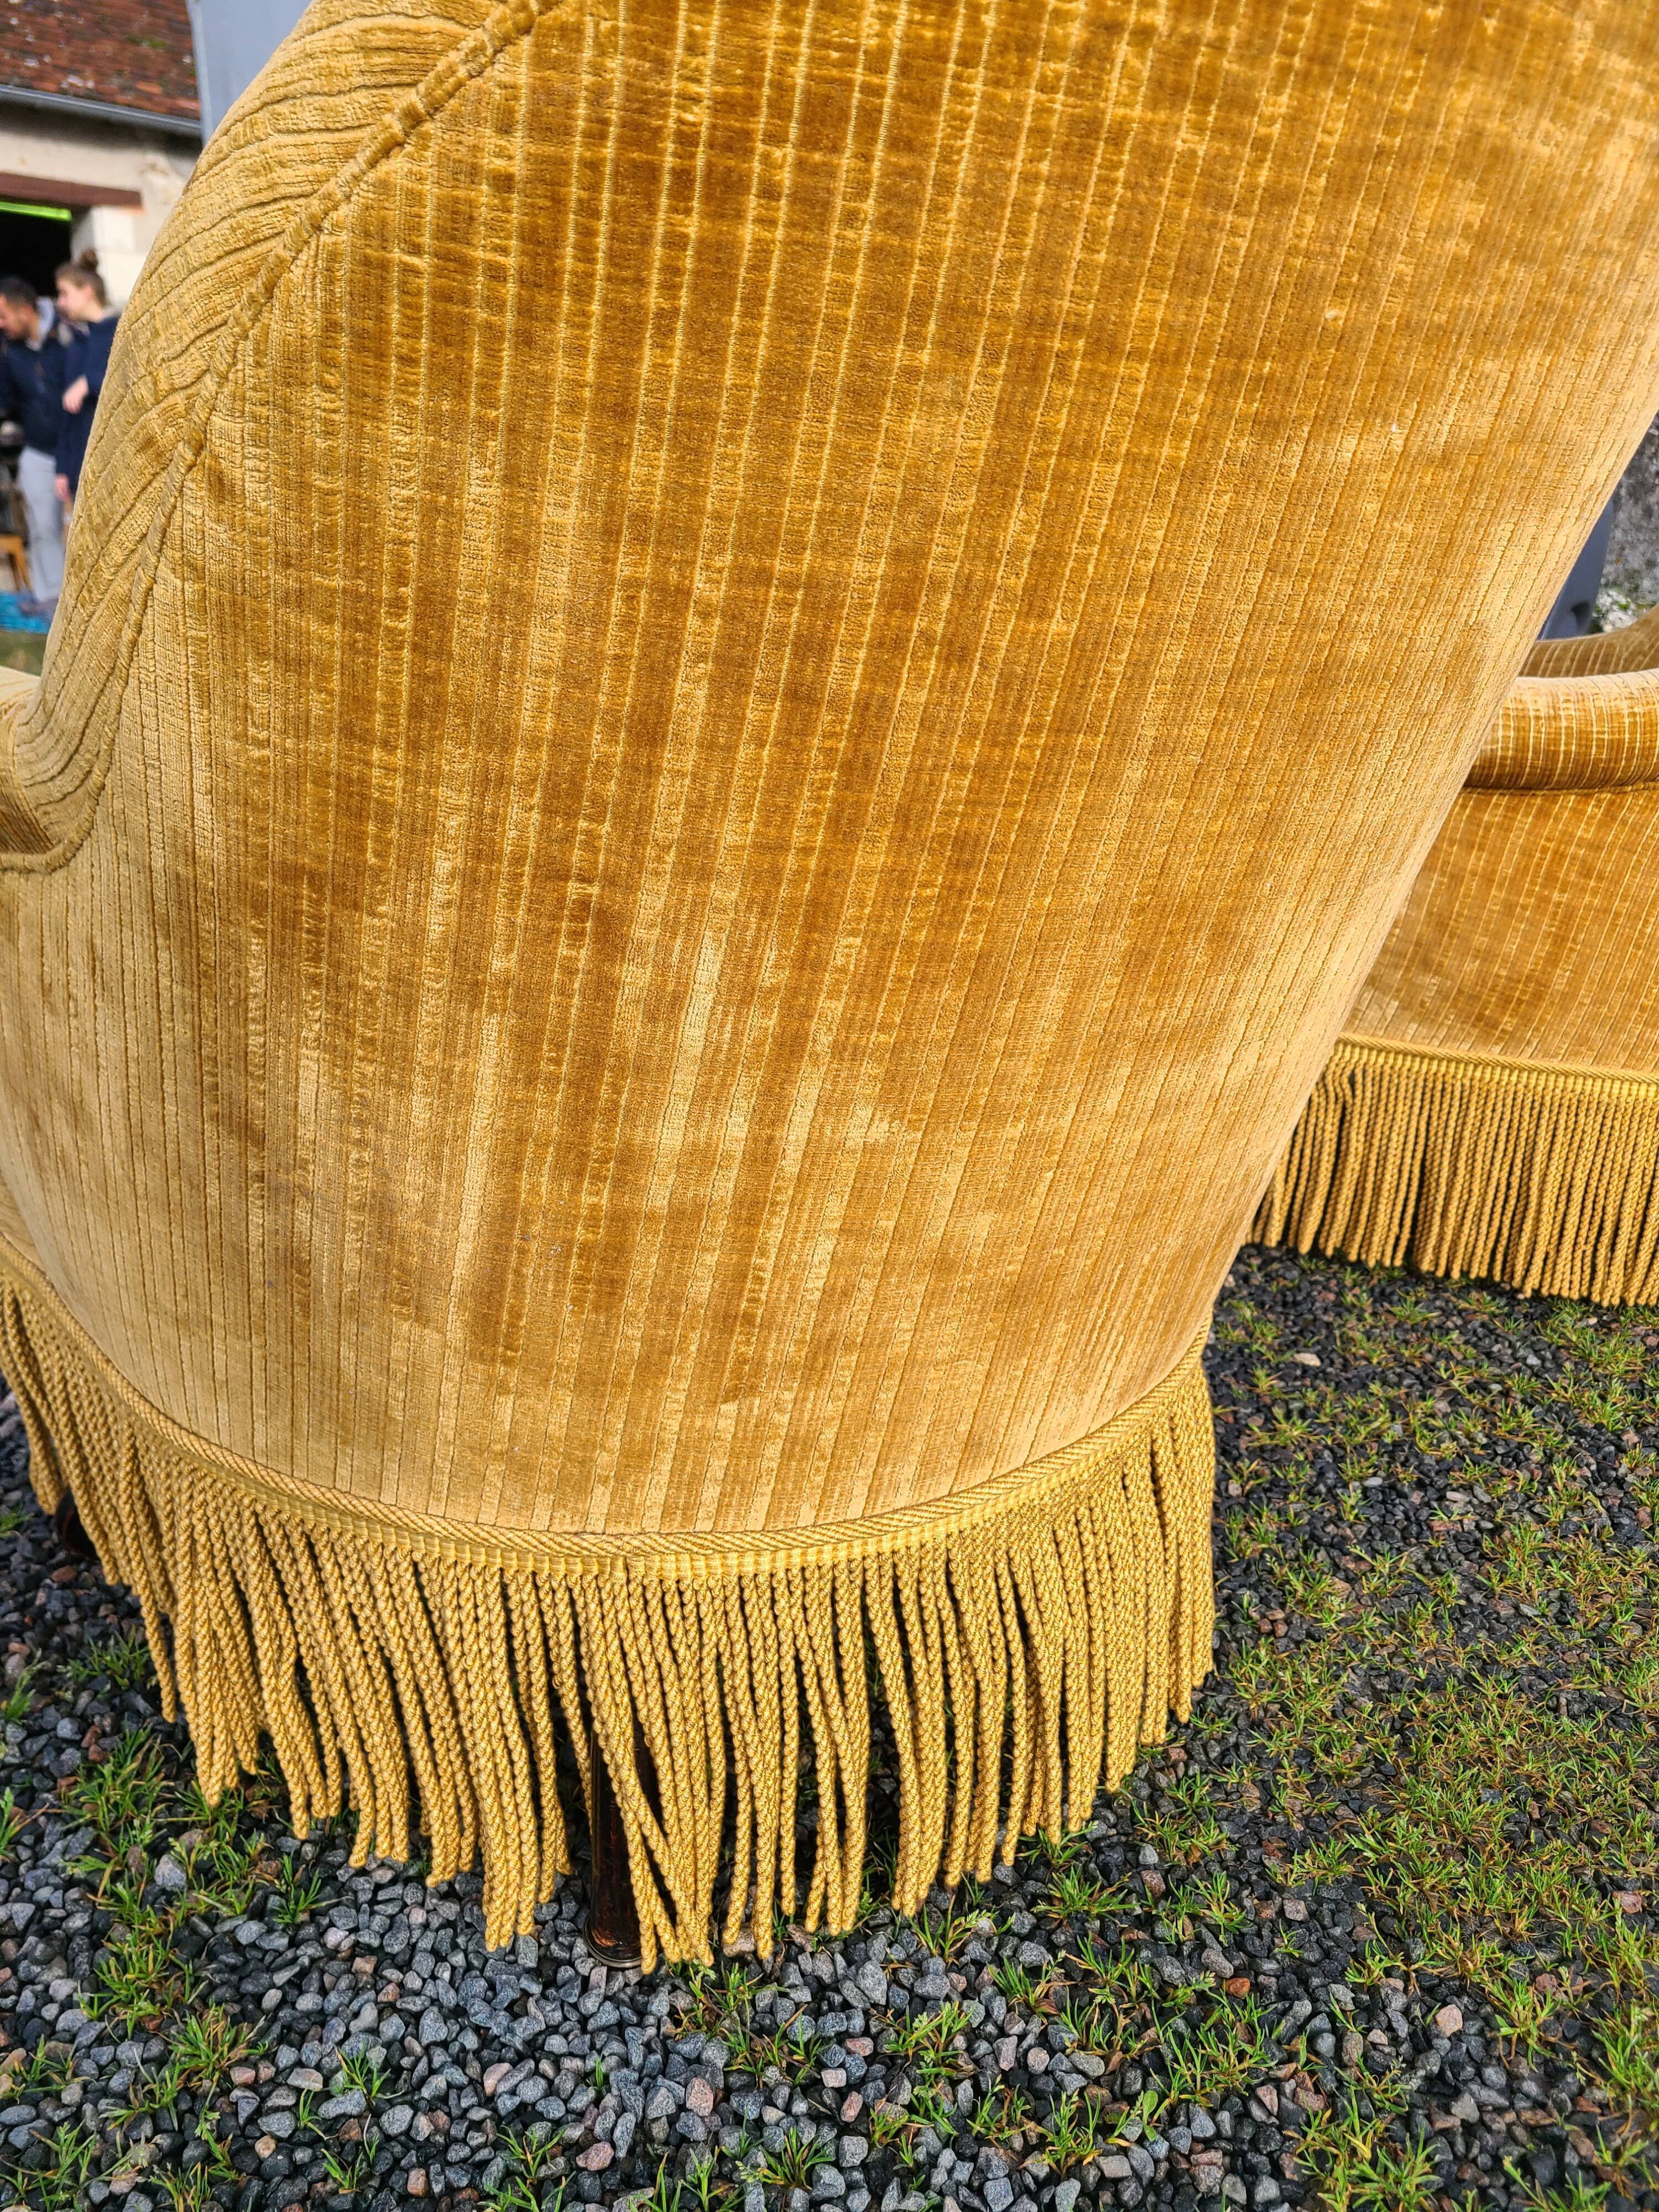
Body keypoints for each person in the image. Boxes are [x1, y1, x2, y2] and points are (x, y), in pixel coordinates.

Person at [0, 274, 70, 612]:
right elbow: (6, 401)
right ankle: (49, 600)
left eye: (4, 316)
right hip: (38, 450)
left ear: (25, 310)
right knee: (42, 528)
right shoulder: (9, 351)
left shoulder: (69, 333)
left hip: (78, 449)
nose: (1, 324)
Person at [54, 253, 118, 510]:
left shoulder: (120, 330)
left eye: (65, 293)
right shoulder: (76, 344)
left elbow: (136, 384)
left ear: (88, 292)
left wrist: (89, 383)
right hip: (80, 468)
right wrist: (63, 467)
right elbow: (68, 413)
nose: (60, 302)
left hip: (115, 463)